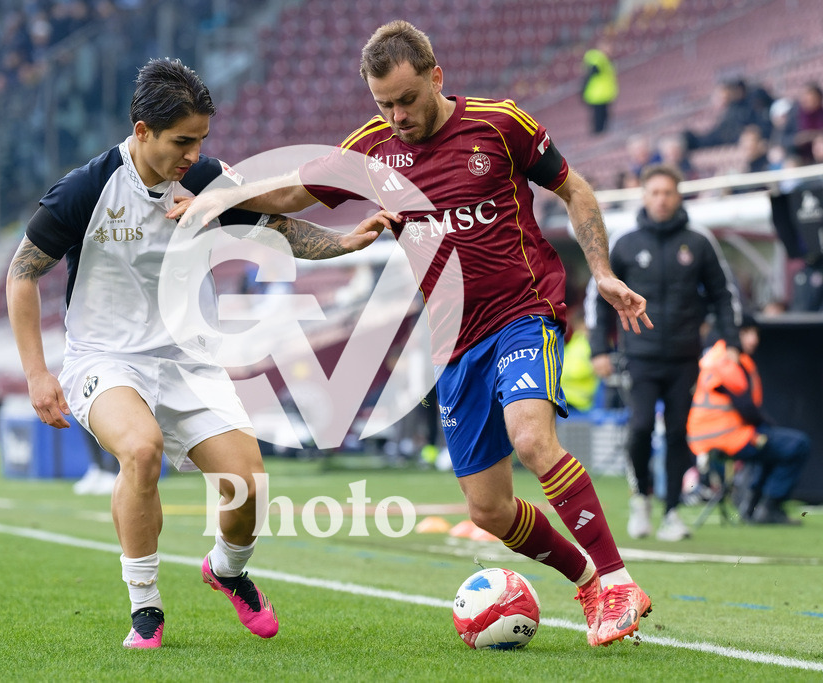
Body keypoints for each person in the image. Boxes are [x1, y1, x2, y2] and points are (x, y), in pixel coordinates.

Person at [173, 20, 654, 648]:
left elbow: (576, 190)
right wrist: (213, 204)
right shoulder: (373, 148)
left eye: (407, 99)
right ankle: (589, 581)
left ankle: (618, 579)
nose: (397, 115)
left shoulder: (500, 124)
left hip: (522, 311)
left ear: (436, 77)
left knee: (533, 441)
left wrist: (604, 272)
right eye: (384, 104)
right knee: (489, 510)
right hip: (453, 337)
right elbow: (295, 189)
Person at [6, 57, 391, 649]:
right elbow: (22, 273)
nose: (193, 152)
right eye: (182, 141)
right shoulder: (87, 188)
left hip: (190, 361)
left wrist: (344, 242)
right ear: (142, 132)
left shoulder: (207, 178)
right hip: (105, 359)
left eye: (202, 139)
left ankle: (227, 571)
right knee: (141, 449)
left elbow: (277, 227)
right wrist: (36, 372)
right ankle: (145, 607)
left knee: (249, 487)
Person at [589, 164, 742, 542]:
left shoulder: (699, 241)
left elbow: (724, 295)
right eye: (654, 192)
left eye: (668, 193)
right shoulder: (625, 242)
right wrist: (598, 349)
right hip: (638, 355)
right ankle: (641, 498)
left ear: (678, 195)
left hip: (685, 357)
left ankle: (671, 512)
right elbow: (599, 297)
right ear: (644, 196)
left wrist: (733, 343)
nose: (661, 199)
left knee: (678, 434)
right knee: (640, 428)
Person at [687, 314, 810, 524]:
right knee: (797, 444)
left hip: (707, 436)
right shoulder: (727, 360)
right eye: (746, 333)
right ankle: (767, 507)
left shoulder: (716, 356)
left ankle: (752, 505)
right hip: (727, 437)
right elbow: (747, 409)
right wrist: (769, 425)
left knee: (774, 444)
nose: (754, 339)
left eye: (755, 333)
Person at [580, 39, 618, 135]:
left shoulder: (605, 60)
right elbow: (590, 74)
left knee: (604, 119)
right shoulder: (597, 58)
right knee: (599, 120)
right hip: (597, 94)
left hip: (604, 94)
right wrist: (583, 91)